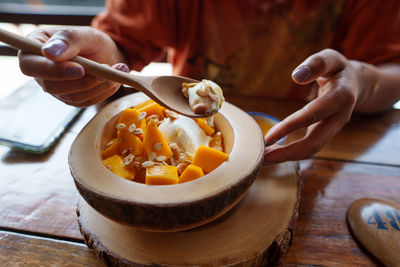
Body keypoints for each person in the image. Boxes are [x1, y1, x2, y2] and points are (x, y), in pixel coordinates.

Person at [18, 0, 400, 163]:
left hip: (310, 157)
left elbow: (391, 71)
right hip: (186, 133)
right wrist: (105, 58)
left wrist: (362, 80)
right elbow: (121, 45)